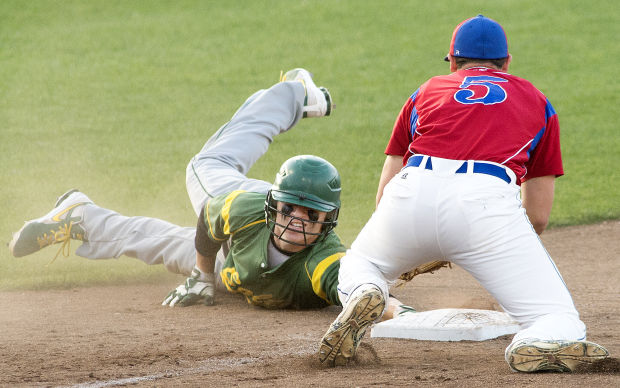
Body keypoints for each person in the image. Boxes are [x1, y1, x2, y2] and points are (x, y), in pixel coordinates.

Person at [318, 15, 609, 372]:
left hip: (411, 192)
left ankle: (368, 290)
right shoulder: (537, 101)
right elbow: (537, 216)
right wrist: (477, 244)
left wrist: (415, 243)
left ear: (453, 62)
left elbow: (386, 195)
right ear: (507, 63)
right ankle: (540, 339)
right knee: (555, 314)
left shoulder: (425, 91)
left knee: (359, 264)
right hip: (485, 203)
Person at [9, 68, 408, 315]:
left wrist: (396, 310)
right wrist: (202, 277)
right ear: (277, 205)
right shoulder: (249, 207)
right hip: (241, 217)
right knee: (205, 166)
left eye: (312, 217)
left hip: (237, 262)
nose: (297, 222)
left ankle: (82, 217)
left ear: (327, 223)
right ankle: (294, 95)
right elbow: (209, 217)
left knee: (164, 245)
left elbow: (355, 287)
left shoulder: (321, 262)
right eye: (291, 210)